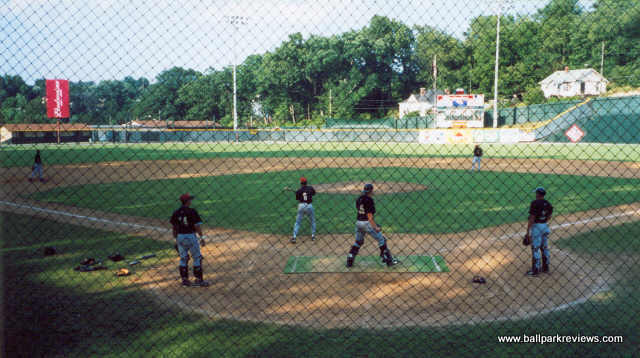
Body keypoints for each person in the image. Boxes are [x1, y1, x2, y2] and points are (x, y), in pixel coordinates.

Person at [346, 183, 399, 268]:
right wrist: (376, 227)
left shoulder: (359, 198)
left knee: (358, 241)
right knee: (382, 240)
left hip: (358, 222)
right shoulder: (369, 200)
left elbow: (359, 210)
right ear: (371, 191)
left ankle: (350, 259)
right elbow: (369, 217)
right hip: (367, 223)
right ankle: (388, 260)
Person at [170, 193, 209, 287]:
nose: (191, 201)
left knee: (183, 258)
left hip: (180, 237)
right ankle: (199, 280)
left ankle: (185, 280)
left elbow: (174, 228)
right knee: (197, 257)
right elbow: (197, 226)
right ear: (187, 201)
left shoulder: (176, 212)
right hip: (191, 236)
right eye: (190, 199)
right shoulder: (192, 211)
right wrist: (202, 237)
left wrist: (175, 239)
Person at [525, 187, 553, 276]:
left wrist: (528, 232)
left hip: (537, 227)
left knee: (535, 248)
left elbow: (532, 218)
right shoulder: (548, 204)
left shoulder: (535, 203)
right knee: (544, 247)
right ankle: (546, 267)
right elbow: (549, 217)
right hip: (545, 226)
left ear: (538, 194)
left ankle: (535, 270)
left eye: (536, 193)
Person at [291, 177, 316, 243]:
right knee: (312, 221)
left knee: (298, 222)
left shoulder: (299, 190)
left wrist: (297, 192)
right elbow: (314, 193)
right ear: (306, 182)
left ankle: (294, 237)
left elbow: (298, 198)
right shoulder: (310, 188)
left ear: (301, 183)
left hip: (301, 206)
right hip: (309, 206)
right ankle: (313, 236)